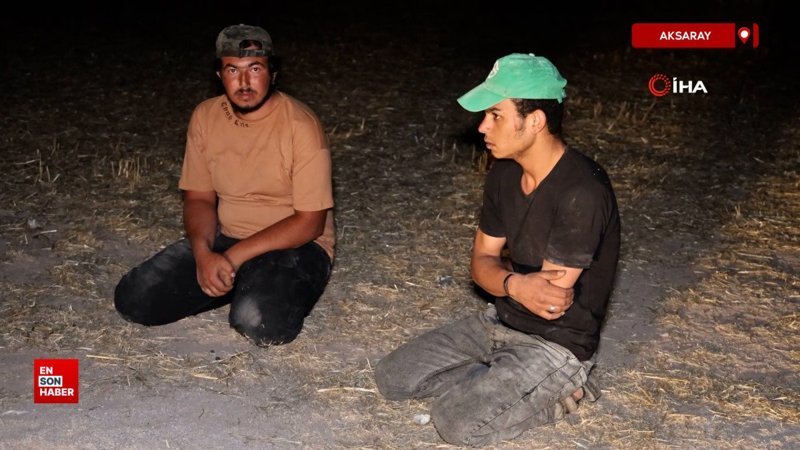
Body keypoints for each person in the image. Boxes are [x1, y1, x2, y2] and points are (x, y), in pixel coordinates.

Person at [375, 53, 620, 446]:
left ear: (535, 121)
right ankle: (503, 383)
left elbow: (549, 302)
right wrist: (514, 285)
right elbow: (480, 264)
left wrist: (505, 281)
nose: (482, 126)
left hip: (555, 345)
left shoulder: (582, 190)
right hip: (501, 319)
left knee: (455, 422)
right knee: (393, 377)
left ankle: (560, 393)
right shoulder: (504, 172)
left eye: (495, 115)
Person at [114, 24, 335, 346]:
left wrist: (231, 259)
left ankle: (250, 283)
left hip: (296, 245)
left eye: (254, 69)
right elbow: (199, 198)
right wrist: (204, 254)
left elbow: (310, 222)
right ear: (219, 75)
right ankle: (240, 281)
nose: (244, 82)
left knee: (258, 322)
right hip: (229, 237)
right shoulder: (205, 117)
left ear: (273, 74)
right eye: (233, 70)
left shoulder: (301, 126)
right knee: (135, 300)